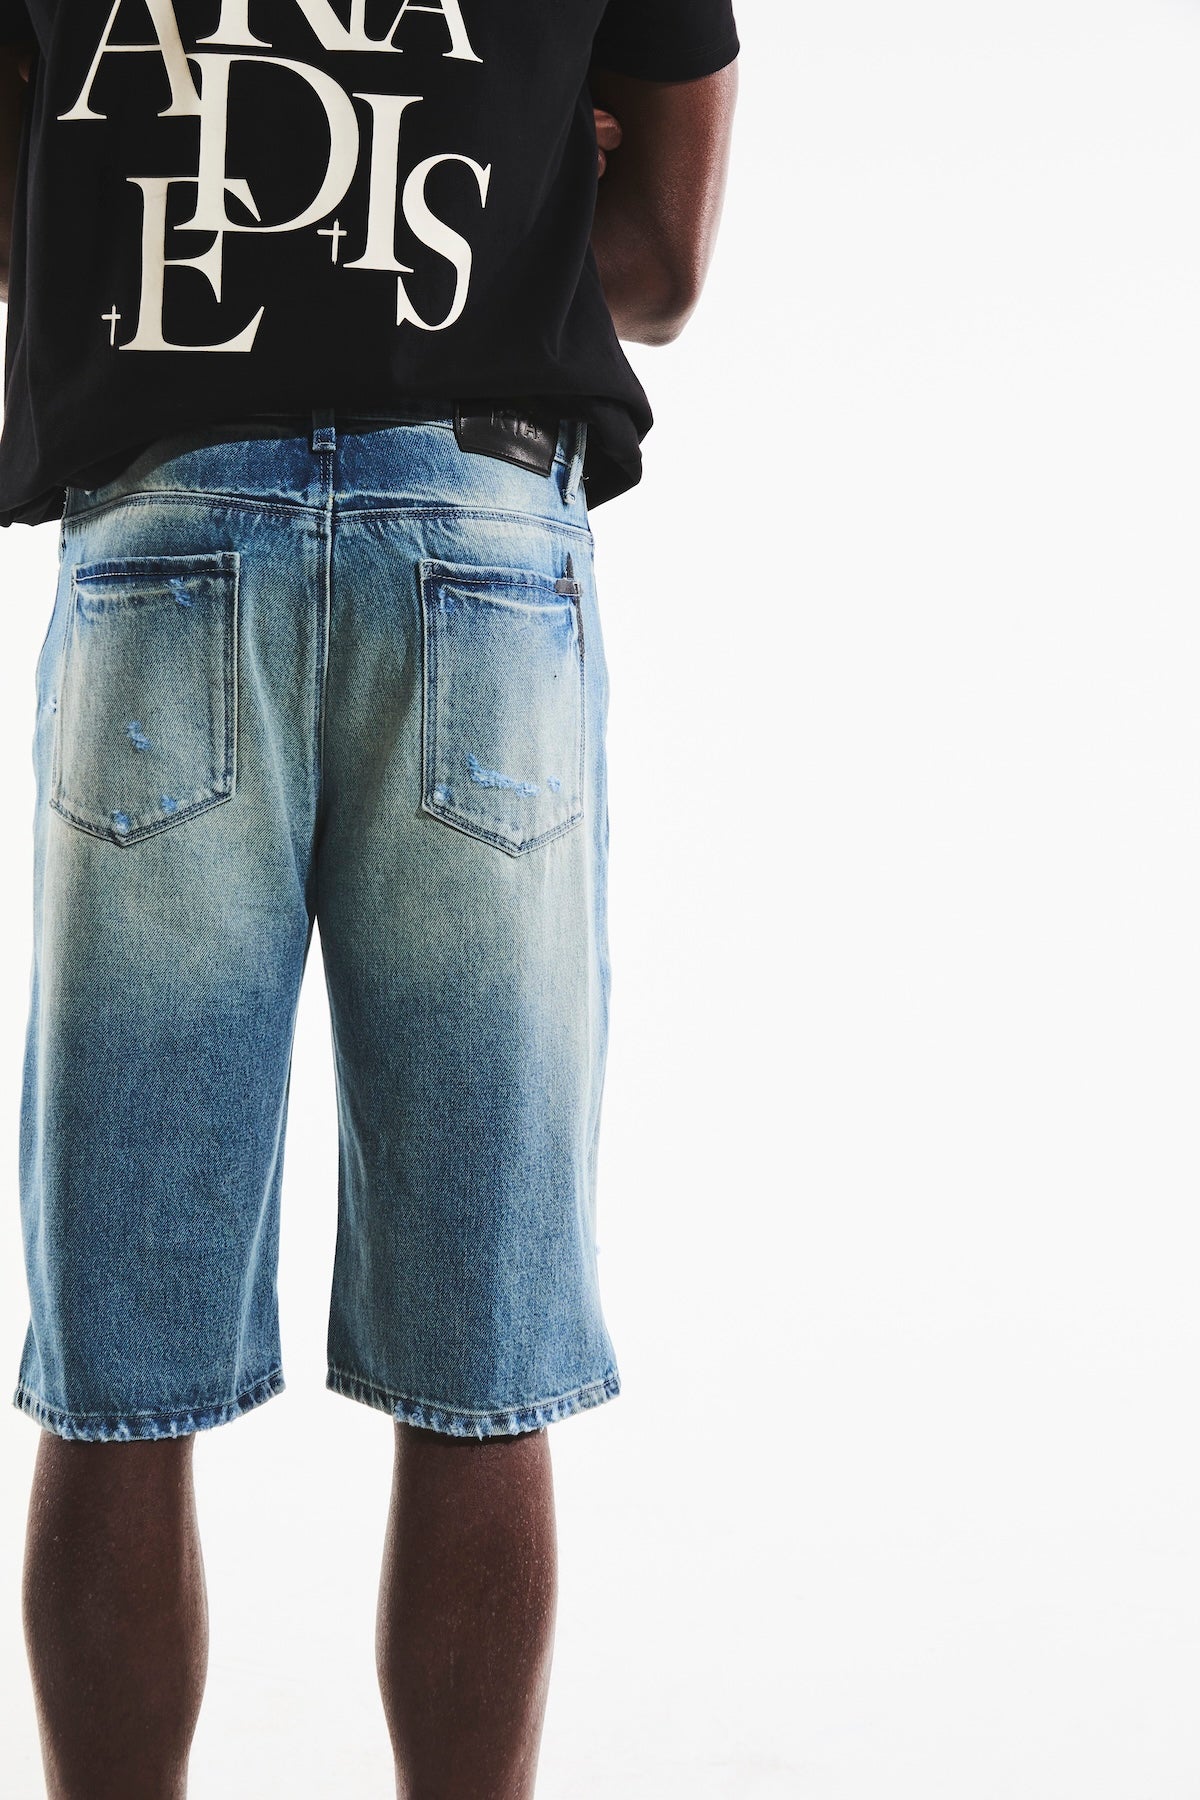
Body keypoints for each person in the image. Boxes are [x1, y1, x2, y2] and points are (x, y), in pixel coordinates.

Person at [0, 4, 738, 1796]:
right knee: (480, 1347)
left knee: (118, 1351)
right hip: (477, 547)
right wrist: (517, 184)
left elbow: (28, 230)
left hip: (170, 532)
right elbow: (658, 268)